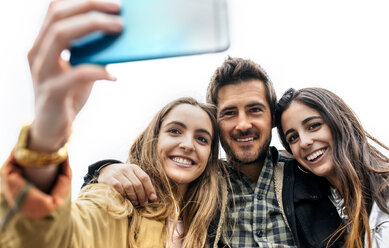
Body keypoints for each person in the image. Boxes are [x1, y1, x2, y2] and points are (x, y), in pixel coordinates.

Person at [0, 1, 228, 247]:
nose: (187, 144)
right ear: (153, 140)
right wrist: (46, 139)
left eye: (202, 138)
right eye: (175, 131)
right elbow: (42, 239)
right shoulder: (114, 201)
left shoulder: (217, 223)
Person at [84, 57, 345, 247]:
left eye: (255, 110)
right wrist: (104, 170)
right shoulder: (202, 183)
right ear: (215, 124)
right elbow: (155, 179)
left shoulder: (308, 172)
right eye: (230, 113)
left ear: (273, 118)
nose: (243, 124)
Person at [275, 87, 389, 248]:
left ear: (339, 121)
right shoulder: (324, 206)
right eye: (293, 137)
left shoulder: (384, 190)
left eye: (313, 126)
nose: (304, 142)